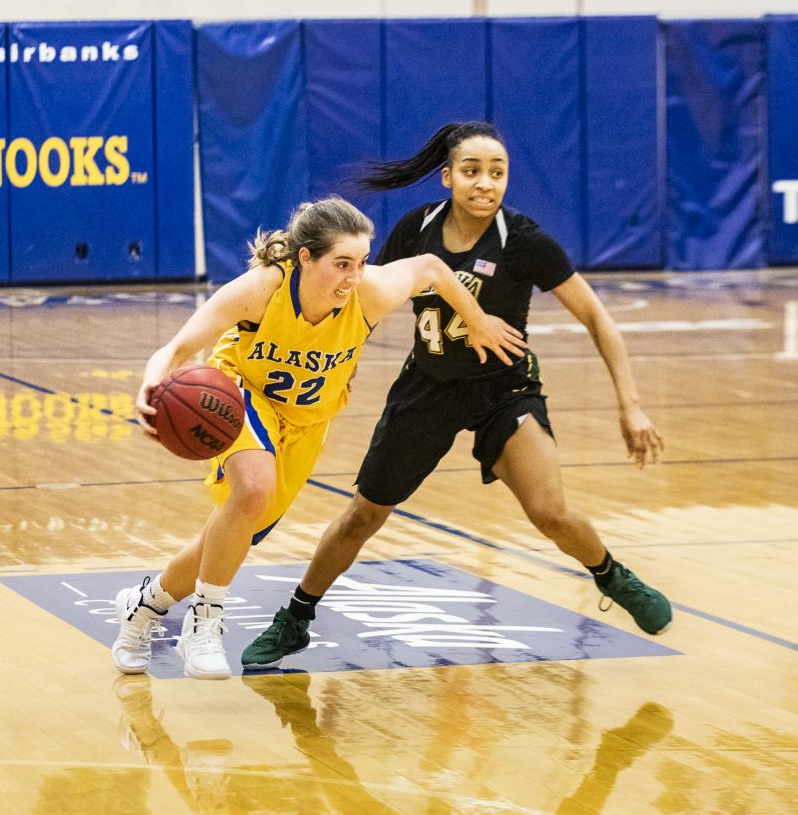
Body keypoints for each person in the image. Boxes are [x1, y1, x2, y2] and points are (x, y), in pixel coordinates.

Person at [240, 122, 671, 671]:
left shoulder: (527, 242)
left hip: (504, 390)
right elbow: (360, 301)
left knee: (550, 513)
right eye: (471, 171)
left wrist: (629, 404)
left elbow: (597, 317)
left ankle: (613, 576)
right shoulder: (415, 230)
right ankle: (295, 619)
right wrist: (336, 363)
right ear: (447, 177)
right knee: (362, 517)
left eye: (498, 172)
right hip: (427, 388)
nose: (485, 183)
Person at [111, 196, 525, 679]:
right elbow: (178, 347)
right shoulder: (264, 289)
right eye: (341, 264)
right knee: (253, 488)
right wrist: (151, 385)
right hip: (241, 396)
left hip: (307, 422)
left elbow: (432, 267)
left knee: (234, 529)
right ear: (305, 258)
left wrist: (475, 319)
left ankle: (144, 605)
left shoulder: (368, 293)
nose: (353, 277)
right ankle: (204, 623)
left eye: (362, 263)